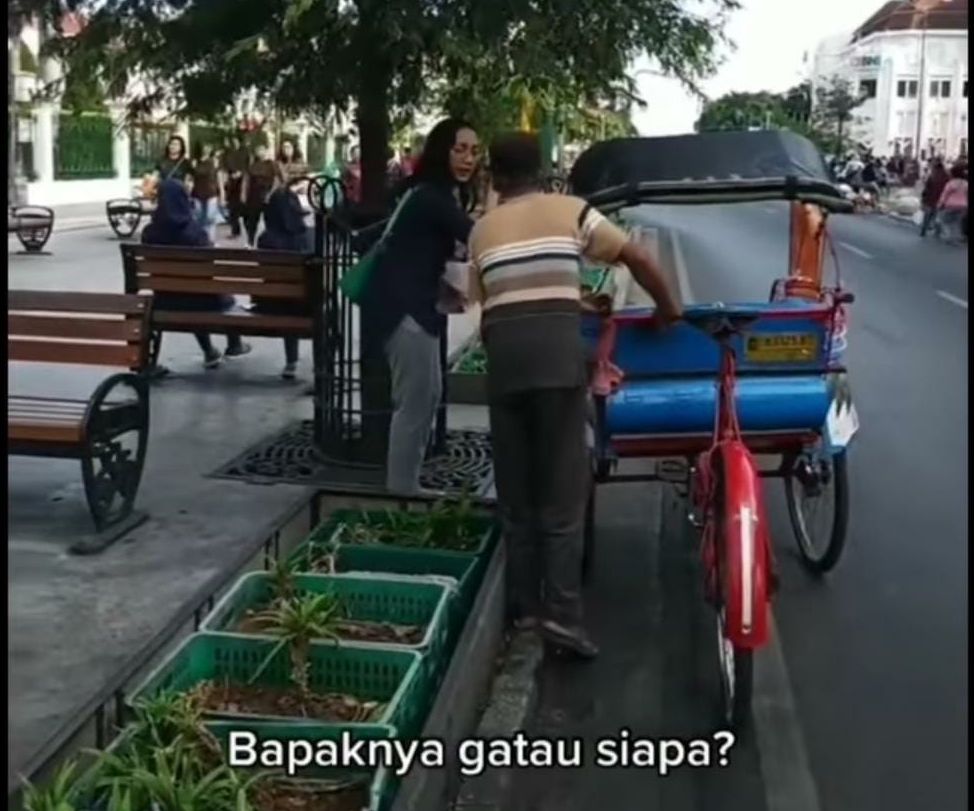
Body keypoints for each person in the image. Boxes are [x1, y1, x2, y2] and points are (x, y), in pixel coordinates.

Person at [467, 132, 683, 659]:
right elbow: (636, 258)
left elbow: (499, 298)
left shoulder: (482, 230)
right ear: (542, 172)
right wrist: (668, 310)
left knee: (518, 498)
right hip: (558, 365)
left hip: (506, 367)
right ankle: (563, 616)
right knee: (563, 498)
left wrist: (575, 302)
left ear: (494, 177)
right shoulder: (573, 212)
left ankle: (522, 611)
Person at [361, 118, 480, 496]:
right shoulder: (432, 196)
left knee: (424, 397)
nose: (468, 159)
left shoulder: (433, 193)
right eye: (459, 149)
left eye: (475, 152)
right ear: (440, 150)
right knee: (415, 402)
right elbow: (479, 237)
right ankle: (401, 491)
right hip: (404, 309)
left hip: (408, 306)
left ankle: (405, 486)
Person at [142, 180, 252, 370]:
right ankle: (234, 344)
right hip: (202, 300)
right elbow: (210, 264)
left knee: (191, 293)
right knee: (218, 295)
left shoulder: (150, 232)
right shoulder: (193, 233)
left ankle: (209, 350)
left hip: (164, 299)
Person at [255, 187, 313, 379]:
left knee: (286, 298)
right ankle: (318, 364)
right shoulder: (310, 237)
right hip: (305, 305)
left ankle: (291, 362)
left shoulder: (265, 239)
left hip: (271, 304)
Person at [241, 142, 279, 247]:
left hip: (267, 194)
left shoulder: (271, 164)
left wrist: (271, 194)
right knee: (252, 219)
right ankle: (250, 241)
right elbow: (246, 179)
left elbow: (276, 180)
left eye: (262, 149)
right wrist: (243, 193)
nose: (260, 152)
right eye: (258, 150)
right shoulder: (252, 165)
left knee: (270, 220)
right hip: (254, 195)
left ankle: (270, 241)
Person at [191, 142, 224, 243]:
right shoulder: (195, 162)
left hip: (211, 192)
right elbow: (191, 179)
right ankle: (200, 239)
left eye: (209, 147)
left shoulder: (215, 161)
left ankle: (210, 239)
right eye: (205, 147)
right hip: (197, 192)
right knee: (198, 217)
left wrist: (222, 193)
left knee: (210, 217)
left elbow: (219, 178)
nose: (207, 149)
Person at [223, 136, 250, 238]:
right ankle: (235, 230)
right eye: (232, 141)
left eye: (236, 140)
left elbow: (248, 166)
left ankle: (249, 229)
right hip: (231, 183)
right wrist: (230, 174)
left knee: (243, 207)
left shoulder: (244, 152)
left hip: (242, 182)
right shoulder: (227, 153)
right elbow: (225, 166)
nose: (234, 142)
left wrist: (241, 173)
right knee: (232, 208)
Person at [937, 163, 968, 245]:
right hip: (963, 205)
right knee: (957, 222)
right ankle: (955, 238)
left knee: (944, 221)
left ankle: (948, 236)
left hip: (951, 205)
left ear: (953, 173)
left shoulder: (951, 183)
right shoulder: (965, 184)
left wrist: (940, 204)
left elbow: (944, 195)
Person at [920, 159, 949, 238]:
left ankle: (923, 230)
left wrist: (923, 197)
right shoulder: (947, 176)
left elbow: (927, 187)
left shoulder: (932, 175)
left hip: (930, 198)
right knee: (938, 216)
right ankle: (937, 232)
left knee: (927, 216)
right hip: (940, 199)